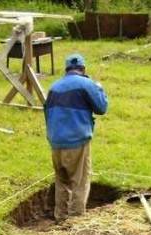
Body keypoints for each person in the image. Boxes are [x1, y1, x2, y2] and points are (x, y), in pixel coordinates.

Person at [44, 53, 108, 223]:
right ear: (83, 69)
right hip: (77, 141)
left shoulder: (54, 87)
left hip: (56, 142)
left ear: (66, 69)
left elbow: (46, 114)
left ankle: (61, 217)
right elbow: (101, 108)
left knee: (62, 181)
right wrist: (100, 89)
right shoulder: (87, 84)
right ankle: (75, 222)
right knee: (80, 181)